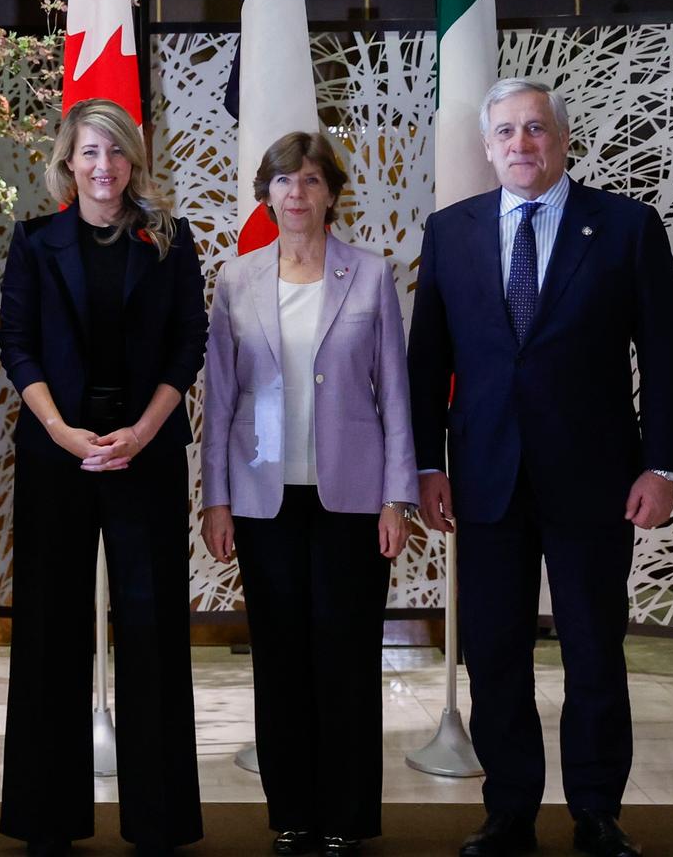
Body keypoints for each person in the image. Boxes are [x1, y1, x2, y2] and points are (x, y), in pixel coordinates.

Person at [408, 78, 673, 857]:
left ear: (562, 141)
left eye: (535, 130)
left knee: (594, 647)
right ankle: (510, 811)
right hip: (484, 479)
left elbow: (665, 356)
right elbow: (426, 363)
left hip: (597, 478)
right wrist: (428, 463)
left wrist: (662, 464)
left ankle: (597, 810)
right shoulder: (451, 232)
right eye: (506, 133)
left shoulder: (627, 227)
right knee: (495, 651)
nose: (521, 145)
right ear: (488, 146)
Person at [0, 98, 208, 856]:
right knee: (51, 630)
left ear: (133, 163)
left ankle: (158, 821)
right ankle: (46, 819)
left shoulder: (169, 241)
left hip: (145, 452)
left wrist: (144, 430)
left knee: (153, 633)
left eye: (115, 154)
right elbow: (16, 344)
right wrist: (60, 431)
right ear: (68, 161)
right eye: (89, 153)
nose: (103, 167)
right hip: (58, 453)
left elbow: (191, 343)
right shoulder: (34, 242)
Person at [198, 131, 418, 856]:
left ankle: (348, 816)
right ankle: (292, 811)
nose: (297, 193)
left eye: (312, 181)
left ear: (331, 195)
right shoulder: (237, 281)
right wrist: (216, 500)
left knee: (346, 656)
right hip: (264, 502)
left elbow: (394, 394)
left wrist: (398, 497)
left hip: (352, 501)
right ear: (267, 193)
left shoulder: (371, 273)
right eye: (284, 181)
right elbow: (220, 399)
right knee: (281, 659)